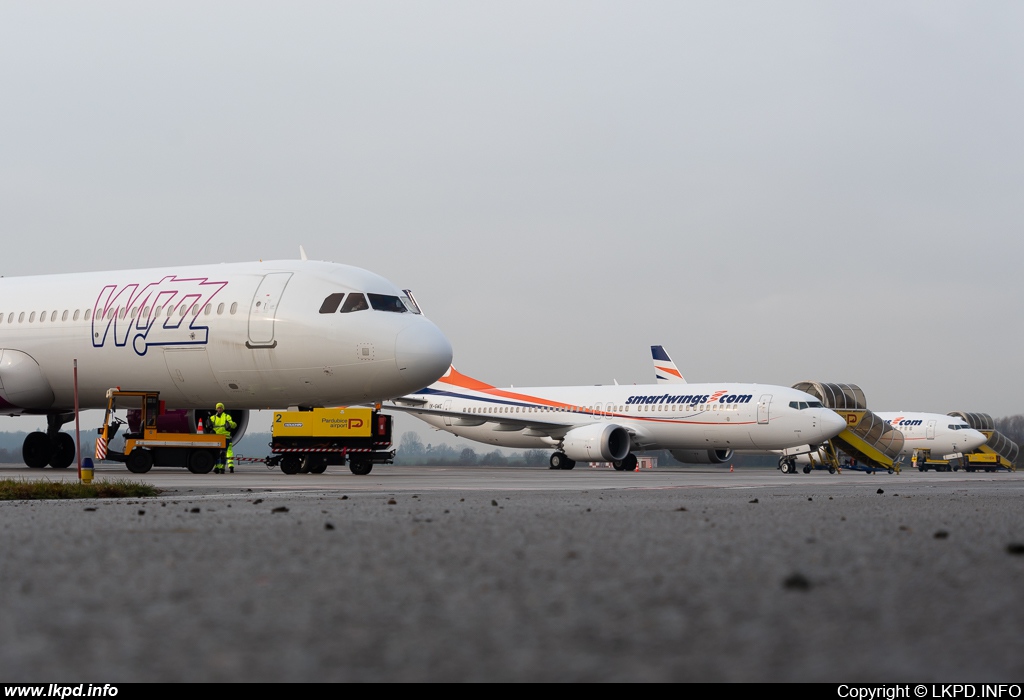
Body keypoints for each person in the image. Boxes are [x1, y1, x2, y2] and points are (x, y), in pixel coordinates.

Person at [209, 402, 237, 474]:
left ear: (223, 409)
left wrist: (230, 424)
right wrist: (208, 423)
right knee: (217, 453)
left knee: (223, 453)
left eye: (220, 408)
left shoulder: (227, 416)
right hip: (217, 437)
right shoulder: (213, 418)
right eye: (218, 408)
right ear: (216, 409)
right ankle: (217, 467)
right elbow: (208, 426)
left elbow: (234, 425)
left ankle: (222, 467)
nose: (219, 409)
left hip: (225, 437)